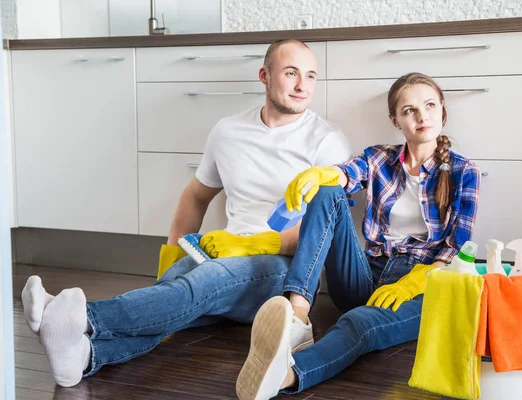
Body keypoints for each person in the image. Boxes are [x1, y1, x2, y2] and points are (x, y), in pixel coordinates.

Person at [20, 38, 353, 388]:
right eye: (291, 73)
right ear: (264, 76)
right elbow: (195, 197)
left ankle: (75, 314)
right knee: (170, 305)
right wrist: (172, 258)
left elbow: (325, 230)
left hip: (283, 269)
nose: (303, 86)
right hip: (217, 249)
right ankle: (84, 356)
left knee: (199, 283)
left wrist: (251, 245)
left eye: (311, 76)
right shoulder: (228, 131)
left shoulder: (326, 141)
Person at [235, 72, 481, 400]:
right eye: (409, 110)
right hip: (367, 274)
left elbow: (456, 249)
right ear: (395, 120)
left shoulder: (466, 172)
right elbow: (350, 173)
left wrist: (412, 284)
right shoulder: (380, 158)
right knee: (327, 191)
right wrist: (327, 174)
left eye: (430, 106)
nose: (422, 116)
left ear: (442, 111)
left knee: (359, 323)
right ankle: (298, 315)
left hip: (424, 289)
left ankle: (285, 376)